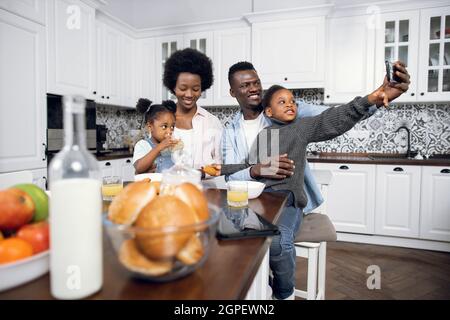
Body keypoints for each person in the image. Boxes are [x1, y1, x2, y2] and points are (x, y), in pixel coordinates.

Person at [219, 61, 410, 300]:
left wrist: (375, 99)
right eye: (245, 85)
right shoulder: (230, 131)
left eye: (256, 82)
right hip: (250, 206)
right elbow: (233, 176)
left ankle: (280, 293)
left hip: (286, 201)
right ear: (232, 92)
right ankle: (258, 290)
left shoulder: (293, 119)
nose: (254, 88)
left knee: (275, 243)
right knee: (227, 245)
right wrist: (256, 170)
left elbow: (332, 118)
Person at [163, 48, 223, 172]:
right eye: (183, 88)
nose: (189, 94)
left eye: (195, 89)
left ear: (202, 88)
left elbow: (220, 164)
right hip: (170, 187)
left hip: (206, 189)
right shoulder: (161, 121)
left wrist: (203, 174)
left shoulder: (212, 122)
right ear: (173, 87)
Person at [132, 99, 182, 174]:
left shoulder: (172, 147)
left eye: (172, 127)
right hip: (153, 185)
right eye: (164, 126)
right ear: (150, 127)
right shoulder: (143, 145)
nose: (170, 131)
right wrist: (159, 147)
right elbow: (139, 167)